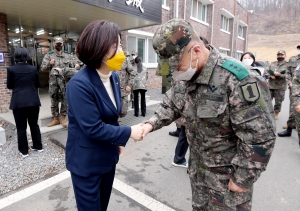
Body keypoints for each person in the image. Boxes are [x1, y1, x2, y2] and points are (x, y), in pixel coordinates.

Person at [140, 19, 276, 210]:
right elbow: (171, 103)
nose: (174, 72)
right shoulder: (187, 75)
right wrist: (150, 124)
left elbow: (261, 136)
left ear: (196, 51)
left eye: (176, 65)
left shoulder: (239, 78)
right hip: (198, 174)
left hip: (228, 181)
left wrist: (242, 179)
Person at [65, 20, 144, 211]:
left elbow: (111, 117)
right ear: (99, 49)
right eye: (115, 46)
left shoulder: (114, 77)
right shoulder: (79, 85)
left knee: (103, 206)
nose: (121, 51)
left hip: (107, 157)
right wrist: (128, 132)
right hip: (86, 163)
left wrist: (115, 141)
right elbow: (92, 127)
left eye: (120, 45)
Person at [7, 47, 43, 158]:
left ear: (16, 55)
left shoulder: (11, 69)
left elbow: (10, 86)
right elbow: (38, 84)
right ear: (27, 55)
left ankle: (24, 151)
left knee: (21, 128)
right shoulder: (33, 69)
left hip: (18, 102)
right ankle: (38, 146)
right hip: (33, 100)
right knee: (34, 125)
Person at [40, 37, 72, 127]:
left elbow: (73, 67)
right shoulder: (49, 55)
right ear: (53, 44)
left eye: (60, 44)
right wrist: (49, 63)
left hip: (64, 81)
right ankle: (56, 119)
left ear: (63, 44)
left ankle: (64, 119)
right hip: (53, 81)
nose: (59, 45)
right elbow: (42, 68)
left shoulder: (68, 55)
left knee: (65, 100)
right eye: (57, 44)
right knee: (54, 100)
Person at [278, 45, 300, 136]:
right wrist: (290, 82)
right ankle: (289, 129)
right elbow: (288, 72)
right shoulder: (293, 59)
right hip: (296, 90)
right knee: (294, 111)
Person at [264, 50, 291, 120]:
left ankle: (276, 113)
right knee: (267, 100)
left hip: (280, 87)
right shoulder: (272, 64)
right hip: (270, 86)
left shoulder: (288, 65)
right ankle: (268, 113)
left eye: (282, 55)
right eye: (278, 55)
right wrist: (270, 76)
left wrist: (281, 75)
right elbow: (266, 72)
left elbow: (289, 75)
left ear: (285, 56)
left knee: (278, 102)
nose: (280, 56)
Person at [114, 51, 135, 117]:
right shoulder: (107, 60)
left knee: (123, 112)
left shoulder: (124, 60)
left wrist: (129, 85)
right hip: (112, 91)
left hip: (122, 91)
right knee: (112, 112)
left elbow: (133, 73)